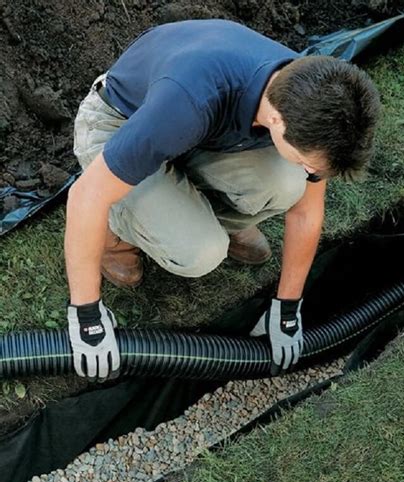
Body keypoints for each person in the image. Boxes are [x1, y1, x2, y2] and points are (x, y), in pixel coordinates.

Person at [66, 19, 380, 380]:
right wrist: (86, 315)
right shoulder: (189, 100)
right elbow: (85, 196)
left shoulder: (307, 90)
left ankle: (186, 204)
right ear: (276, 121)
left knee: (288, 182)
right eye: (307, 161)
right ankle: (115, 235)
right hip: (121, 121)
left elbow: (306, 211)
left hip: (199, 133)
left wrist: (288, 307)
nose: (310, 171)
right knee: (198, 253)